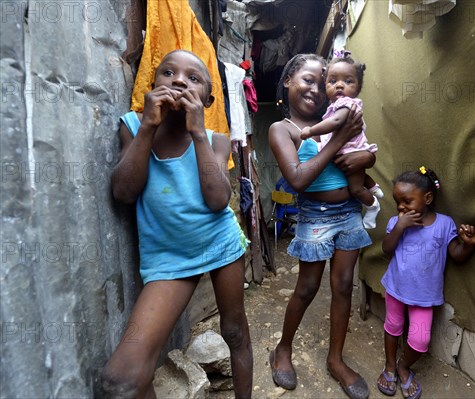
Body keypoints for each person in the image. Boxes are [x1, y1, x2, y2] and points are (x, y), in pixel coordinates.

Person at [102, 49, 252, 399]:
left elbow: (217, 200)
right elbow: (124, 191)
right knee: (122, 378)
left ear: (207, 99)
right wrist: (149, 126)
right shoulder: (134, 126)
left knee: (234, 333)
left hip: (219, 242)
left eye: (193, 78)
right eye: (168, 73)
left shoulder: (215, 140)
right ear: (152, 85)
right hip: (168, 258)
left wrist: (198, 133)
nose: (179, 80)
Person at [268, 53, 376, 399]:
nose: (317, 89)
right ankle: (283, 349)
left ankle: (335, 360)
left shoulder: (336, 119)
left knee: (343, 285)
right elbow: (298, 180)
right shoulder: (282, 130)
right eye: (308, 80)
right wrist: (338, 138)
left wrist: (367, 157)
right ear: (288, 82)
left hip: (348, 212)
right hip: (314, 216)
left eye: (322, 82)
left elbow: (359, 160)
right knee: (307, 287)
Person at [376, 167, 475, 398]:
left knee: (420, 339)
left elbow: (456, 255)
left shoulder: (444, 224)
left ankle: (404, 366)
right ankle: (390, 366)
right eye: (397, 202)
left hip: (424, 297)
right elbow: (386, 249)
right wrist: (400, 227)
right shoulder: (396, 222)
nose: (401, 207)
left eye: (407, 201)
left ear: (428, 198)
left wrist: (469, 244)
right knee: (392, 327)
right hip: (395, 287)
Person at [299, 52, 383, 229]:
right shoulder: (334, 107)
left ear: (358, 88)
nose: (339, 85)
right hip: (346, 154)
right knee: (352, 174)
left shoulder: (345, 104)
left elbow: (335, 123)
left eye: (348, 81)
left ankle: (373, 205)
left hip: (350, 153)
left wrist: (310, 131)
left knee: (356, 189)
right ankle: (374, 187)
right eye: (332, 81)